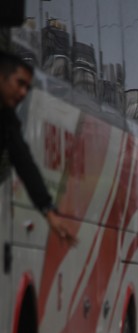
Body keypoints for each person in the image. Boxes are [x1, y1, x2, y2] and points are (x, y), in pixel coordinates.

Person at [0, 51, 76, 246]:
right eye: (19, 83)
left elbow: (25, 163)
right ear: (2, 76)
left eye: (28, 87)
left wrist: (48, 211)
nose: (24, 93)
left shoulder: (8, 120)